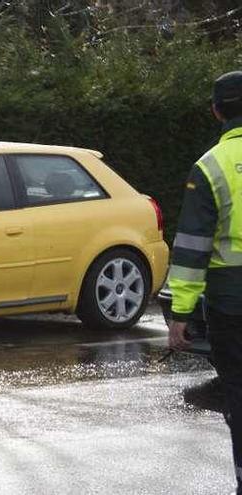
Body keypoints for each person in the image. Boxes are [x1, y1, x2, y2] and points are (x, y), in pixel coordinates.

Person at [168, 70, 242, 495]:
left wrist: (180, 315)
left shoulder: (210, 167)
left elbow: (193, 249)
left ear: (216, 112)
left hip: (232, 304)